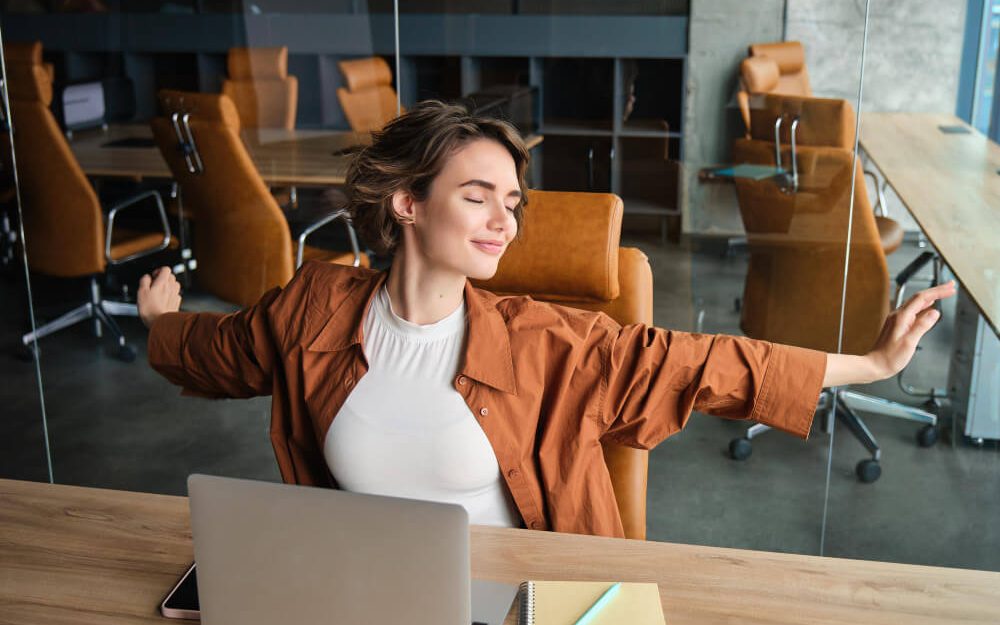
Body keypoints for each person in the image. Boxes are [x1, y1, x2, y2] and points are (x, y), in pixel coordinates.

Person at [138, 101, 954, 537]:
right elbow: (223, 351)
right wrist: (161, 326)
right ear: (407, 203)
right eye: (476, 196)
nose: (504, 221)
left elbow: (702, 363)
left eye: (513, 203)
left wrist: (872, 364)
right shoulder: (315, 306)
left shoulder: (540, 338)